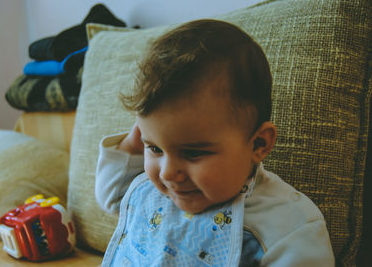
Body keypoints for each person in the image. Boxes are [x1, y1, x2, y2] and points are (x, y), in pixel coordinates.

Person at [95, 19, 334, 266]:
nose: (167, 172)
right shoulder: (155, 191)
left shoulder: (288, 228)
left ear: (258, 144)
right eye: (155, 148)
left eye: (193, 153)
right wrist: (130, 148)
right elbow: (113, 197)